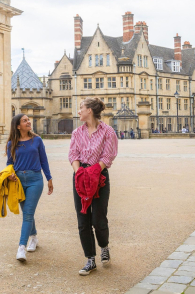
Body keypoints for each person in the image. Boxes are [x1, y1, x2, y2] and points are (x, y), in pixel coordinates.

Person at [68, 97, 118, 275]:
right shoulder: (76, 133)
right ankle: (90, 259)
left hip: (100, 177)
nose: (79, 111)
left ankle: (104, 246)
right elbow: (73, 154)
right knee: (83, 221)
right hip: (81, 176)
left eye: (81, 107)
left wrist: (95, 171)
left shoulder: (108, 131)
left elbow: (108, 155)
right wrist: (79, 173)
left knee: (98, 219)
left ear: (90, 110)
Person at [6, 114, 54, 262]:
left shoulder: (37, 140)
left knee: (27, 213)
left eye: (28, 120)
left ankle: (21, 247)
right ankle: (33, 237)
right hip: (18, 181)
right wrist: (9, 175)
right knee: (27, 212)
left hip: (35, 180)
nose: (28, 122)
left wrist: (49, 178)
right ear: (18, 126)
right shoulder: (11, 143)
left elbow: (44, 160)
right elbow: (9, 163)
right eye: (24, 120)